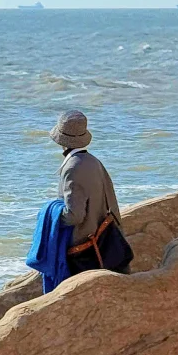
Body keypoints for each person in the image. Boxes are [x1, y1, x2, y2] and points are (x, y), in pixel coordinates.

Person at [50, 109, 133, 275]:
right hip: (106, 244)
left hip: (85, 252)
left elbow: (74, 216)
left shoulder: (72, 168)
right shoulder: (94, 161)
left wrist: (51, 217)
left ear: (61, 140)